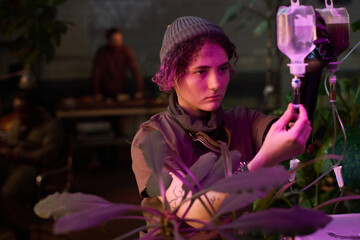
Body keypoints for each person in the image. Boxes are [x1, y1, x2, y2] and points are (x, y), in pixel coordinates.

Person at [131, 16, 322, 238]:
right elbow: (198, 212)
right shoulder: (153, 138)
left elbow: (292, 133)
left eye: (222, 68)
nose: (216, 83)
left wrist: (313, 70)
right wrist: (262, 161)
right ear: (172, 75)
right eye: (201, 71)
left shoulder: (242, 121)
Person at [0, 90, 64, 240]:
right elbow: (12, 143)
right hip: (14, 163)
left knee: (9, 193)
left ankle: (22, 229)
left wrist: (17, 155)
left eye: (23, 112)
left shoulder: (51, 126)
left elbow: (47, 156)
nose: (20, 117)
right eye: (17, 112)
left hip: (33, 167)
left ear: (36, 109)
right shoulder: (19, 122)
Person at [91, 27, 145, 101]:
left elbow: (135, 70)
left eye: (119, 39)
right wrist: (96, 92)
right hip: (104, 92)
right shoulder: (102, 53)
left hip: (122, 90)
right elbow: (96, 73)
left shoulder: (126, 51)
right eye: (114, 40)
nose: (117, 42)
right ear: (108, 40)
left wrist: (140, 90)